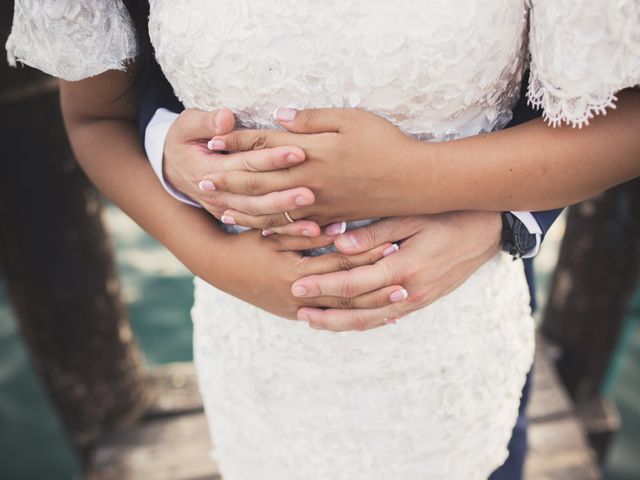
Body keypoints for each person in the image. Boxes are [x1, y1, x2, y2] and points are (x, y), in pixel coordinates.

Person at [6, 1, 639, 480]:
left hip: (454, 353)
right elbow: (96, 113)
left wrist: (434, 189)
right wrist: (210, 253)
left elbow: (623, 114)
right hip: (257, 356)